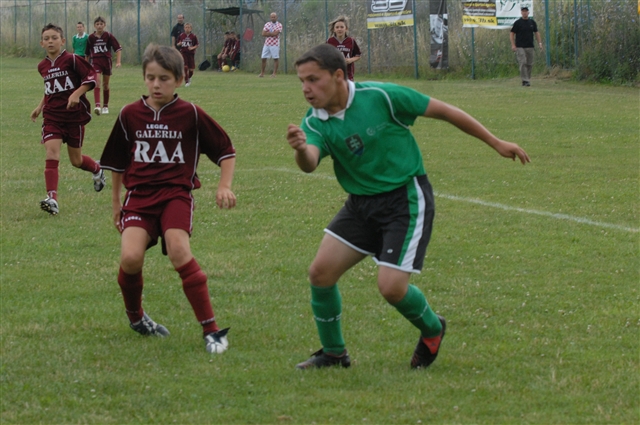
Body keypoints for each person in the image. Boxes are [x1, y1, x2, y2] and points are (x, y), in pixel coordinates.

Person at [286, 44, 530, 370]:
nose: (306, 89)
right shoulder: (315, 122)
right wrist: (301, 149)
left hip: (405, 199)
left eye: (313, 79)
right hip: (360, 205)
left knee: (391, 288)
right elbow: (310, 163)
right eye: (302, 81)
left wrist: (496, 142)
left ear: (339, 76)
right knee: (320, 273)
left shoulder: (382, 96)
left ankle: (432, 329)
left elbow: (445, 111)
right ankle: (333, 353)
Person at [98, 44, 237, 354]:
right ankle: (137, 318)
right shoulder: (129, 114)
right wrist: (116, 203)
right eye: (150, 78)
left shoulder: (191, 114)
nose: (156, 84)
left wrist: (224, 186)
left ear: (179, 79)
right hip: (139, 197)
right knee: (130, 258)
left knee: (178, 249)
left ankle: (211, 330)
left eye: (164, 78)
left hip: (176, 195)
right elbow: (118, 163)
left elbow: (225, 151)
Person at [30, 23, 106, 216]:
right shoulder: (42, 66)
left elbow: (92, 78)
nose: (50, 41)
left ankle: (97, 169)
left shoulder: (72, 60)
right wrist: (40, 106)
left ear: (63, 41)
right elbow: (51, 88)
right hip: (52, 117)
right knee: (52, 153)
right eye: (46, 38)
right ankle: (52, 198)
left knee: (76, 161)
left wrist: (76, 94)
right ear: (41, 43)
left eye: (54, 38)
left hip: (73, 118)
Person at [86, 16, 122, 115]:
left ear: (104, 25)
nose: (99, 26)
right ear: (94, 25)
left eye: (101, 24)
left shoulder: (108, 36)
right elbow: (87, 53)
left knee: (105, 85)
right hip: (96, 62)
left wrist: (118, 61)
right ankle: (97, 106)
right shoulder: (90, 38)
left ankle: (105, 106)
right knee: (97, 82)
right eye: (97, 24)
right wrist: (86, 65)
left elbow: (118, 49)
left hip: (106, 62)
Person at [510, 6, 543, 87]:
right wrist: (513, 44)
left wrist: (540, 43)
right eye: (523, 11)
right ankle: (525, 80)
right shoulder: (518, 23)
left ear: (528, 12)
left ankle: (527, 79)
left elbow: (536, 33)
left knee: (529, 64)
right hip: (520, 46)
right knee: (523, 62)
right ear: (521, 13)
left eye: (526, 11)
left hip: (530, 46)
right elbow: (512, 33)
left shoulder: (532, 22)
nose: (524, 13)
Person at [326, 15, 361, 81]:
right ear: (334, 29)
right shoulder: (329, 41)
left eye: (342, 27)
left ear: (346, 29)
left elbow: (358, 55)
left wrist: (350, 60)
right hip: (334, 74)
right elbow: (325, 56)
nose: (339, 29)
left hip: (348, 75)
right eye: (337, 27)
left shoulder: (351, 41)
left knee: (347, 88)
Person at [258, 12, 282, 78]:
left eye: (274, 17)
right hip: (267, 44)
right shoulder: (267, 24)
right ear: (270, 18)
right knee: (263, 58)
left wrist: (268, 33)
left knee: (275, 58)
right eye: (272, 17)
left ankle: (274, 73)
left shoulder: (279, 25)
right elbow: (263, 33)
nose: (273, 18)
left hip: (275, 44)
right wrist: (271, 33)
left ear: (276, 17)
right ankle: (262, 73)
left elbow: (276, 34)